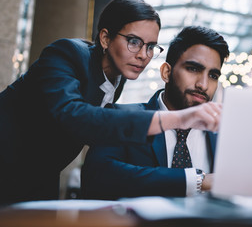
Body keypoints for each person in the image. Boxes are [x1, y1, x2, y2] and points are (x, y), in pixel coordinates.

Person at [0, 0, 221, 204]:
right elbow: (74, 115)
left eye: (151, 46)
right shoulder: (67, 54)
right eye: (134, 42)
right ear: (105, 38)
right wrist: (175, 119)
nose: (144, 55)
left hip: (41, 174)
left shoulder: (117, 78)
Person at [81, 26, 230, 199]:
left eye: (213, 76)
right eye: (193, 69)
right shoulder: (120, 116)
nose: (203, 85)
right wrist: (196, 181)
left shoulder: (223, 135)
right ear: (166, 72)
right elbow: (95, 178)